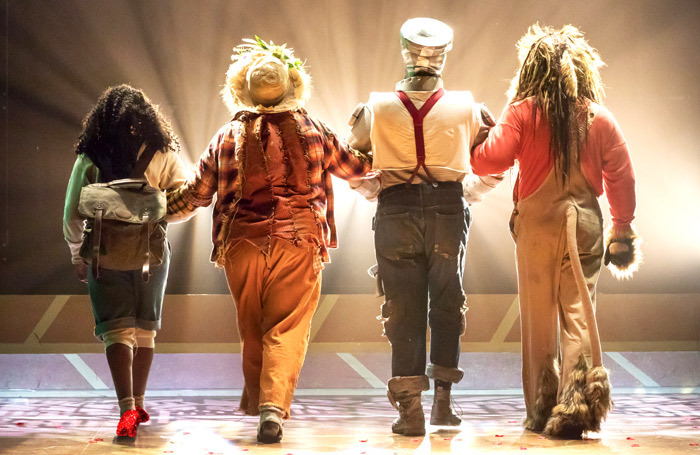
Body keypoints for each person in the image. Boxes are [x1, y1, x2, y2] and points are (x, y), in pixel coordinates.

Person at [166, 37, 373, 444]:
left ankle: (263, 404)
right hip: (298, 241)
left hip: (241, 244)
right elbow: (356, 169)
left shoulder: (226, 135)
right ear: (290, 87)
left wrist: (153, 208)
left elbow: (193, 195)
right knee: (287, 326)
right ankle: (271, 410)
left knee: (253, 328)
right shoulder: (314, 129)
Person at [471, 24, 640, 438]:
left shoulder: (522, 111)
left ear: (532, 69)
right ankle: (576, 406)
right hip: (583, 223)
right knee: (580, 313)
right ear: (583, 71)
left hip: (535, 227)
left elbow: (488, 162)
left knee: (537, 318)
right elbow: (622, 175)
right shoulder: (601, 118)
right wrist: (622, 230)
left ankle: (540, 406)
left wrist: (478, 138)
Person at [347, 18, 502, 436]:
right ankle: (443, 406)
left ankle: (410, 411)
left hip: (395, 212)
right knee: (447, 303)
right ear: (443, 56)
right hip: (448, 210)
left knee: (403, 308)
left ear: (405, 52)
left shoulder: (375, 107)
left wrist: (378, 187)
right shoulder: (469, 106)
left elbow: (351, 166)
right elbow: (497, 162)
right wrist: (469, 192)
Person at [63, 84, 189, 437]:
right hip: (152, 255)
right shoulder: (163, 152)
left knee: (116, 330)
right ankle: (140, 401)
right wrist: (154, 213)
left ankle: (126, 410)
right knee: (145, 329)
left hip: (103, 255)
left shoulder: (90, 155)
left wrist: (76, 253)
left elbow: (72, 212)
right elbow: (183, 203)